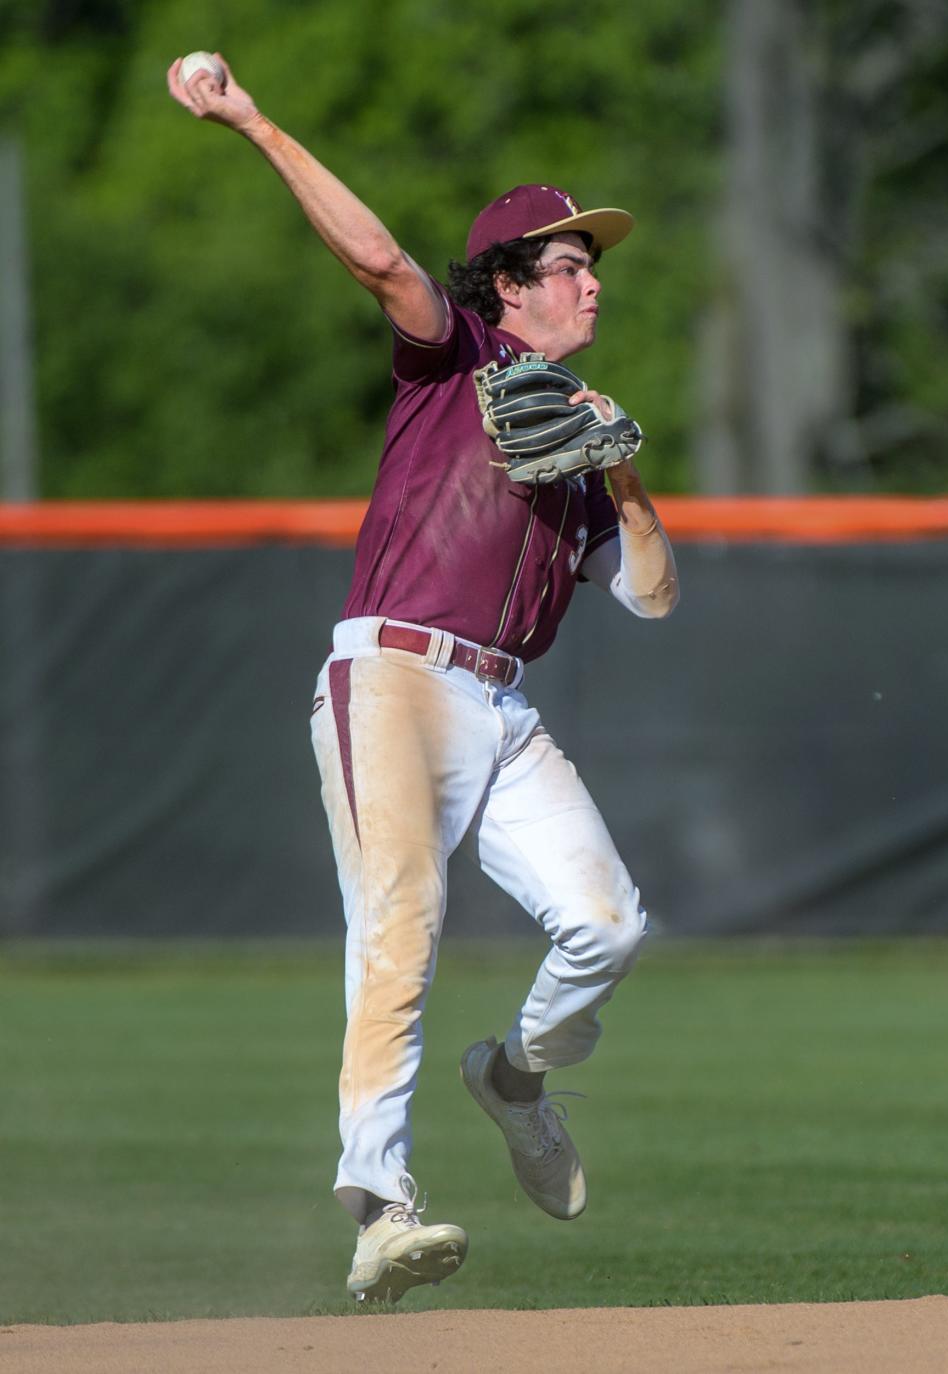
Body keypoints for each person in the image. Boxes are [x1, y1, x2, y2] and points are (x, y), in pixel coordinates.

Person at [168, 53, 679, 1305]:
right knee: (400, 925)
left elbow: (654, 595)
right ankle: (381, 1207)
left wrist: (620, 471)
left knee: (609, 923)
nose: (590, 275)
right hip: (392, 674)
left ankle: (515, 1077)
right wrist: (252, 120)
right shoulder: (454, 361)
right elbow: (383, 263)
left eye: (590, 259)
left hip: (501, 706)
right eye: (565, 261)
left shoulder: (580, 433)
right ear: (508, 286)